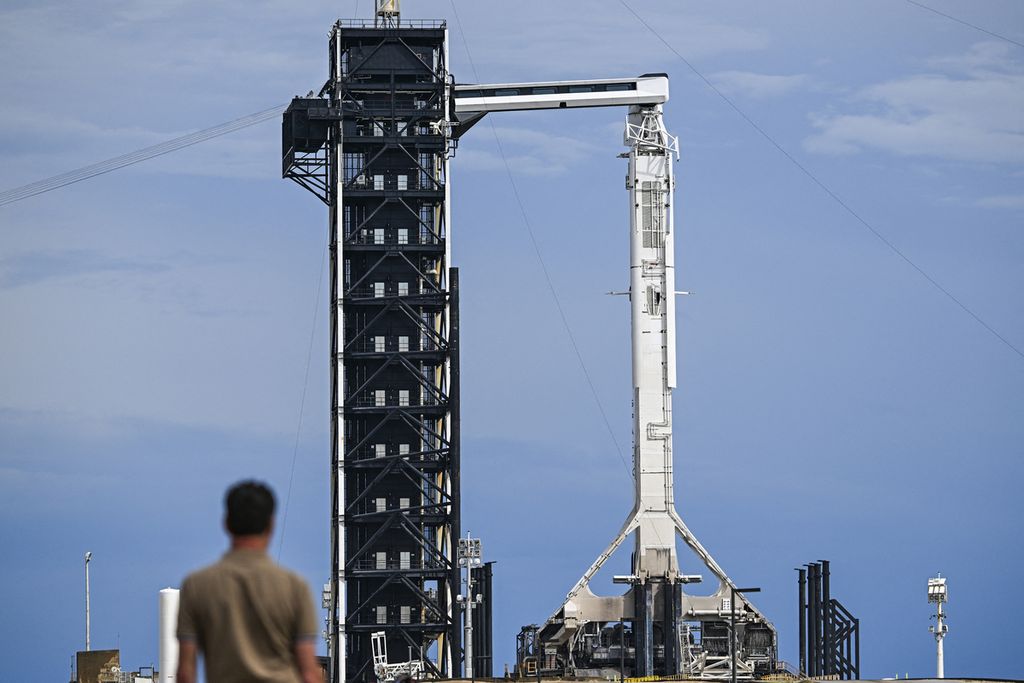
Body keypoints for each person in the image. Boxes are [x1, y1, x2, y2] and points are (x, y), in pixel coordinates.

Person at [176, 480, 323, 683]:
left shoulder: (196, 586)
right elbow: (308, 674)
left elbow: (185, 673)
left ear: (226, 522)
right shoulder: (296, 588)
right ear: (271, 524)